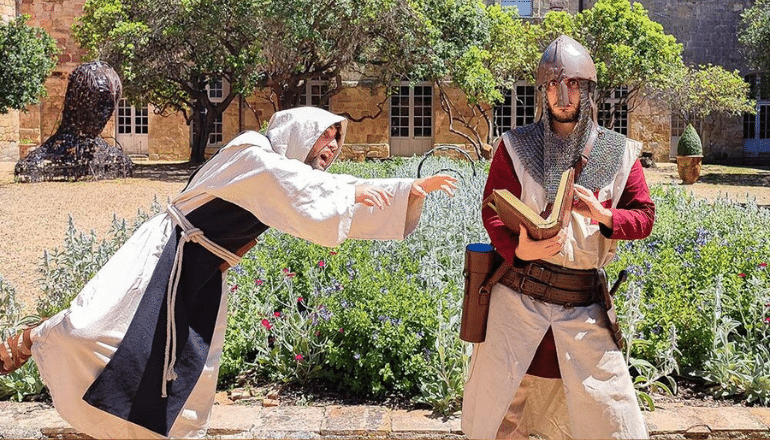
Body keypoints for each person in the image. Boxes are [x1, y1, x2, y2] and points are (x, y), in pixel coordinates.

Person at [0, 106, 457, 438]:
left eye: (339, 139)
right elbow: (298, 185)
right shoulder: (252, 152)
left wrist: (403, 189)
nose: (333, 147)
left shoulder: (288, 173)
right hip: (165, 254)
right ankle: (34, 336)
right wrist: (355, 196)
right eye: (326, 136)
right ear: (301, 132)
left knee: (178, 372)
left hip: (201, 273)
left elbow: (324, 188)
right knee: (86, 330)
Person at [461, 35, 655, 439]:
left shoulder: (617, 153)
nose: (562, 95)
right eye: (552, 85)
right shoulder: (515, 146)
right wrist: (519, 248)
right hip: (519, 300)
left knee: (610, 419)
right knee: (499, 415)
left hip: (582, 307)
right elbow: (491, 210)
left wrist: (604, 215)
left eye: (572, 84)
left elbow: (644, 217)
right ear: (542, 91)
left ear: (588, 90)